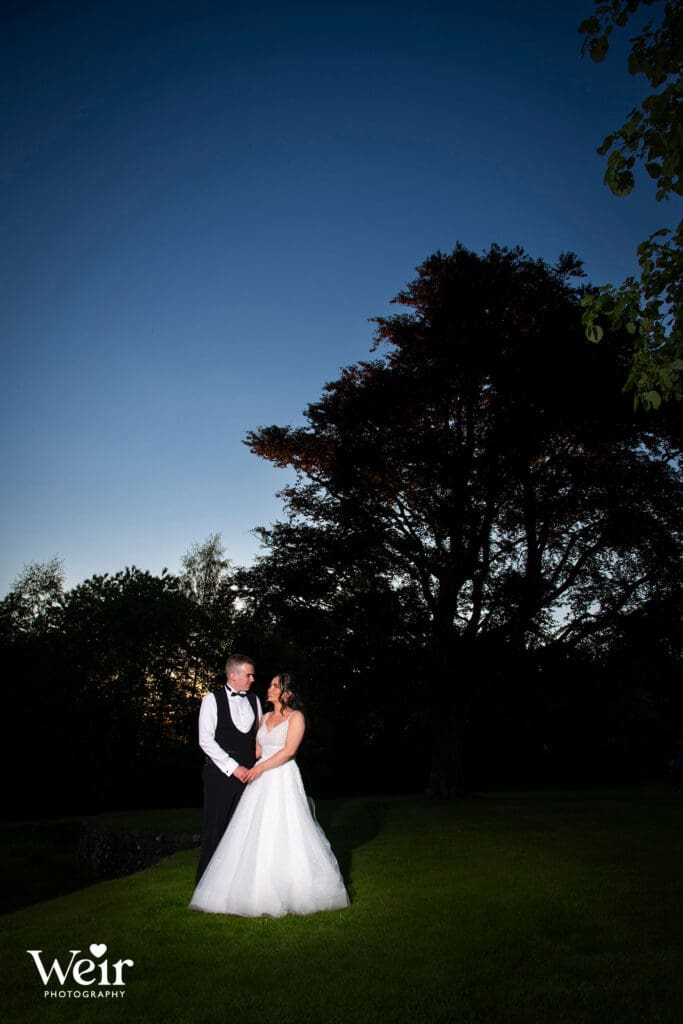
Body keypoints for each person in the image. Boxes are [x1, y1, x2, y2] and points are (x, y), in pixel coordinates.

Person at [190, 672, 349, 917]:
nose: (270, 689)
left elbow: (288, 751)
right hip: (260, 779)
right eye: (271, 685)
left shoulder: (296, 717)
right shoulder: (263, 718)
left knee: (285, 827)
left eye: (276, 686)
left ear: (287, 692)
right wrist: (232, 762)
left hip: (282, 776)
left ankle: (293, 886)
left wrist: (260, 768)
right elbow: (255, 751)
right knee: (254, 829)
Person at [195, 653, 262, 883]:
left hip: (249, 778)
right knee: (215, 830)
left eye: (252, 675)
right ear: (233, 675)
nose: (252, 679)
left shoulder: (255, 700)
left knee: (242, 832)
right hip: (219, 777)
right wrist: (234, 767)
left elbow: (258, 739)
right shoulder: (211, 700)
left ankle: (235, 886)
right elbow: (205, 740)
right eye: (248, 675)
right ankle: (205, 887)